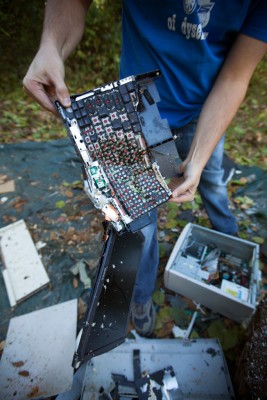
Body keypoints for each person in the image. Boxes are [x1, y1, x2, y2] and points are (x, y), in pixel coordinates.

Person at [23, 0, 267, 337]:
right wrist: (51, 45)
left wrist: (197, 158)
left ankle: (230, 243)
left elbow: (236, 76)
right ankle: (140, 298)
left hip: (204, 116)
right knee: (142, 219)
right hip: (141, 116)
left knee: (209, 182)